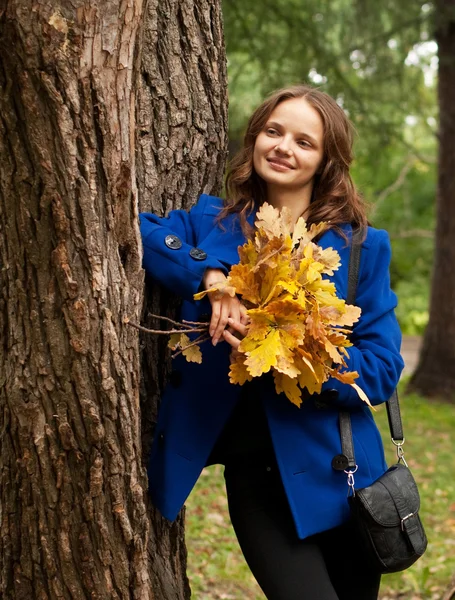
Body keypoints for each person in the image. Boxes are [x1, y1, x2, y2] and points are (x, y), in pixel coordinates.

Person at [139, 84, 404, 600]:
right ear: (256, 136)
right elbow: (146, 232)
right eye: (274, 131)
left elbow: (381, 365)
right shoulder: (211, 222)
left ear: (326, 160)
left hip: (344, 473)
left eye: (305, 142)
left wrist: (297, 355)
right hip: (256, 475)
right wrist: (211, 277)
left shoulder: (361, 247)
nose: (284, 147)